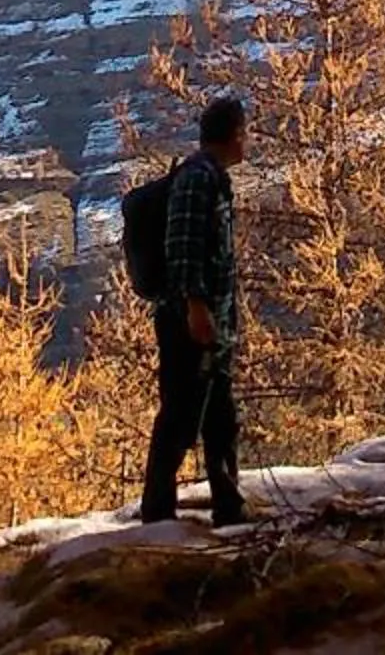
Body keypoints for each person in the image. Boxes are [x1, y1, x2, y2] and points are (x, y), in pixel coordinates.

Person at [140, 95, 249, 527]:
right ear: (234, 135)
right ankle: (157, 511)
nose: (248, 142)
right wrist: (196, 309)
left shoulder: (213, 178)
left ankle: (229, 505)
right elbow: (182, 249)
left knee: (220, 416)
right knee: (181, 416)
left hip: (213, 324)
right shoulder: (196, 180)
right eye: (244, 133)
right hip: (189, 323)